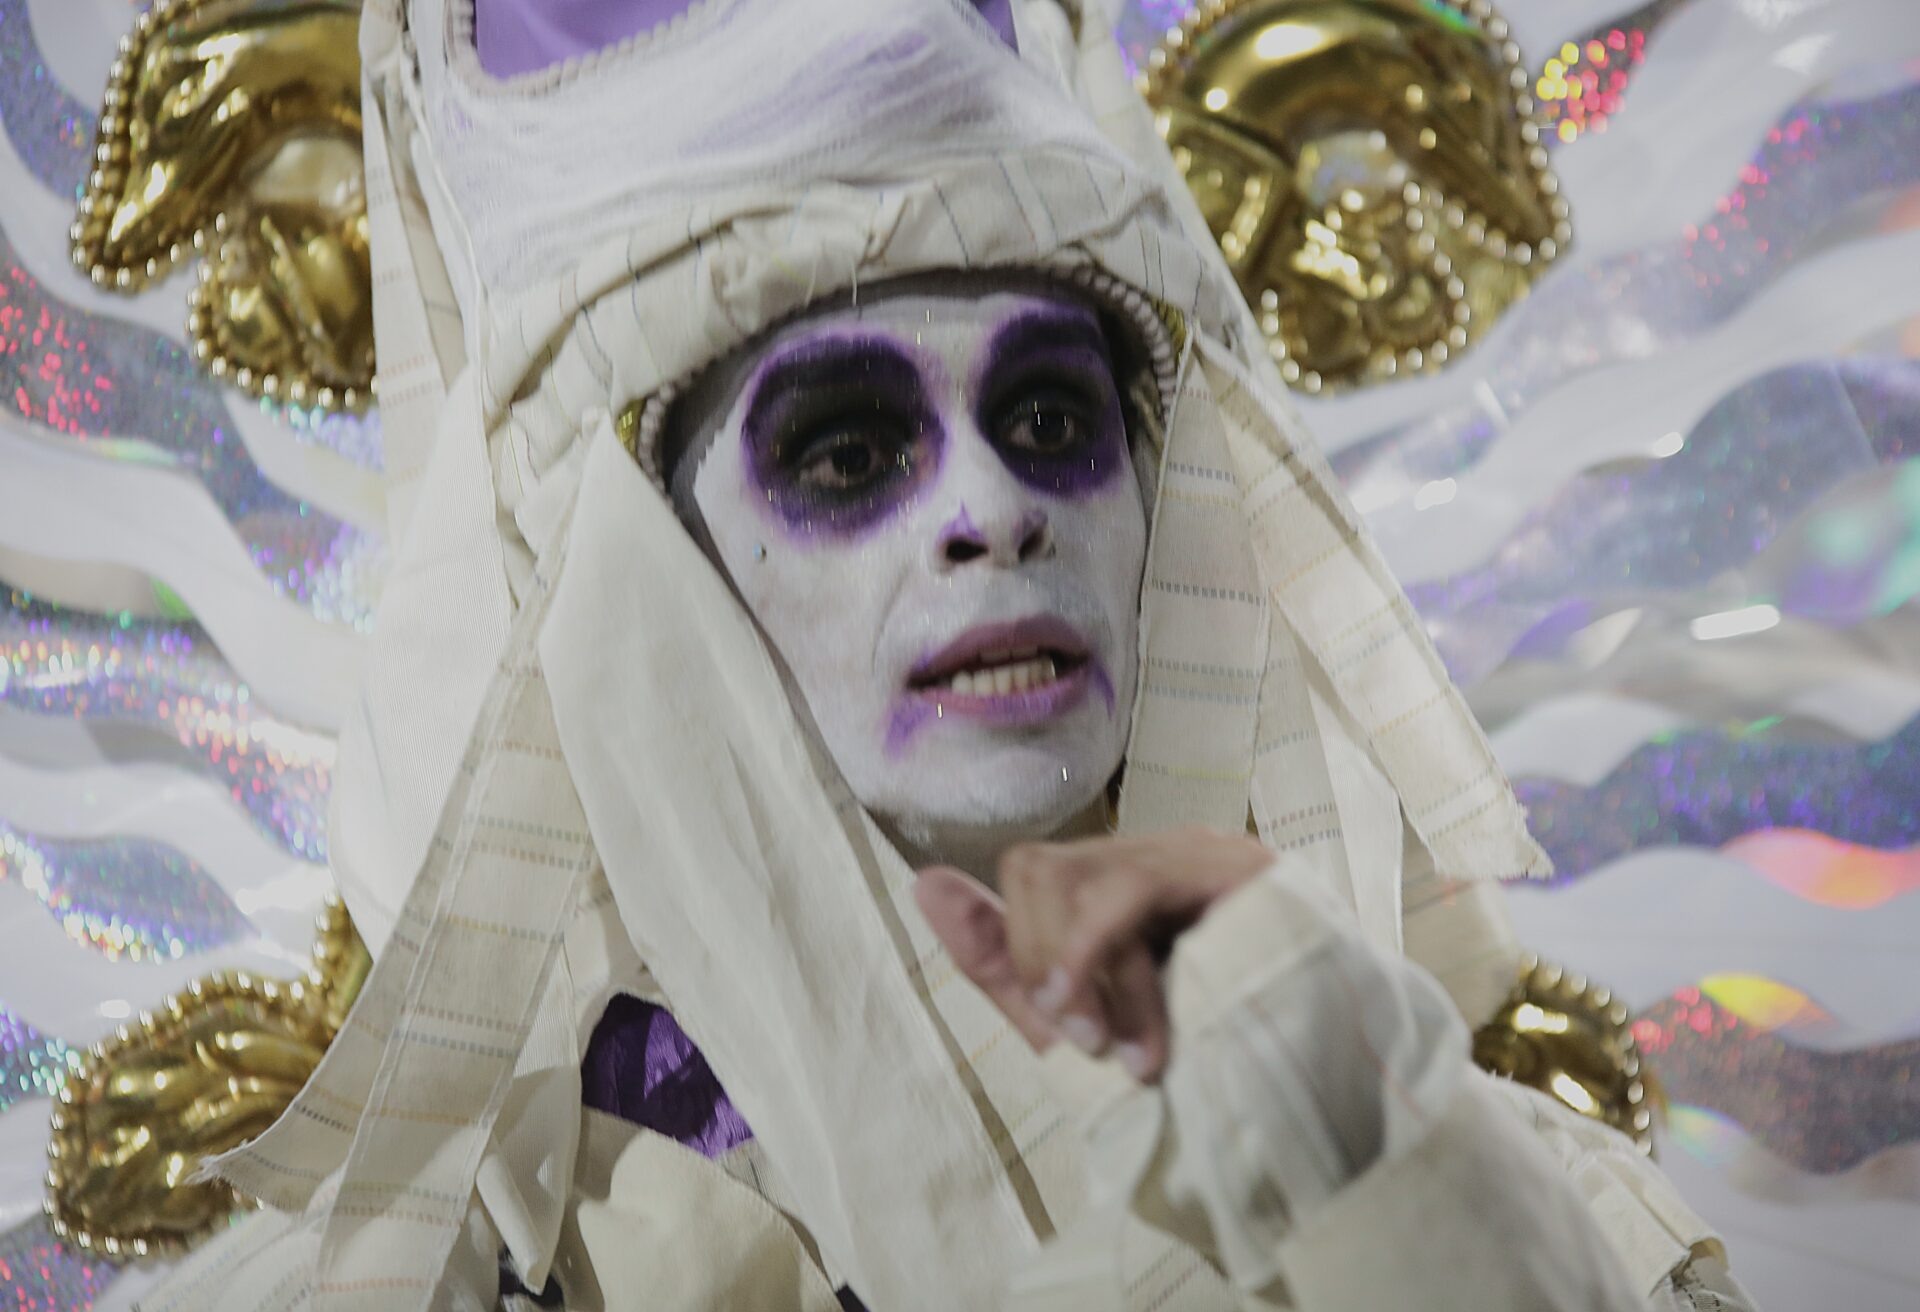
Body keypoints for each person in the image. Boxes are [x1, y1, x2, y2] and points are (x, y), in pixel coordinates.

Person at [142, 1, 1756, 1308]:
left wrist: (1357, 1146)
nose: (992, 510)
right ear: (640, 577)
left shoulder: (1535, 1217)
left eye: (1050, 419)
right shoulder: (385, 1285)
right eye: (848, 452)